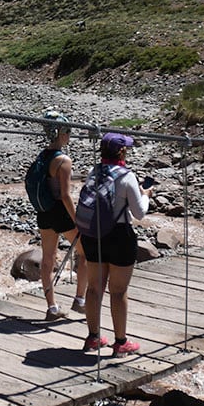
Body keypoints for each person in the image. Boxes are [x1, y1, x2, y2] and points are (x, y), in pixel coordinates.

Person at [80, 133, 150, 357]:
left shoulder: (93, 172)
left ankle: (93, 337)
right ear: (121, 152)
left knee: (93, 288)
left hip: (93, 235)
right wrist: (145, 194)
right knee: (118, 291)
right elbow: (139, 214)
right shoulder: (127, 176)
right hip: (119, 235)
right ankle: (121, 342)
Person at [34, 110, 88, 320]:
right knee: (85, 253)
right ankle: (80, 300)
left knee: (48, 260)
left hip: (44, 212)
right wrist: (77, 220)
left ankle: (52, 308)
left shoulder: (42, 156)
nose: (69, 136)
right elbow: (65, 195)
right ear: (60, 133)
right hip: (59, 212)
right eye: (68, 131)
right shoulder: (63, 160)